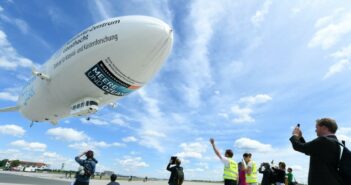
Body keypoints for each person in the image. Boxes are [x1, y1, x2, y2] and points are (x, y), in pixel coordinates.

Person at [289, 118, 343, 185]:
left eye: (317, 128)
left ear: (324, 128)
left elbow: (298, 146)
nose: (315, 130)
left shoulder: (323, 140)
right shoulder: (335, 142)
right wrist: (300, 137)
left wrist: (295, 135)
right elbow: (308, 150)